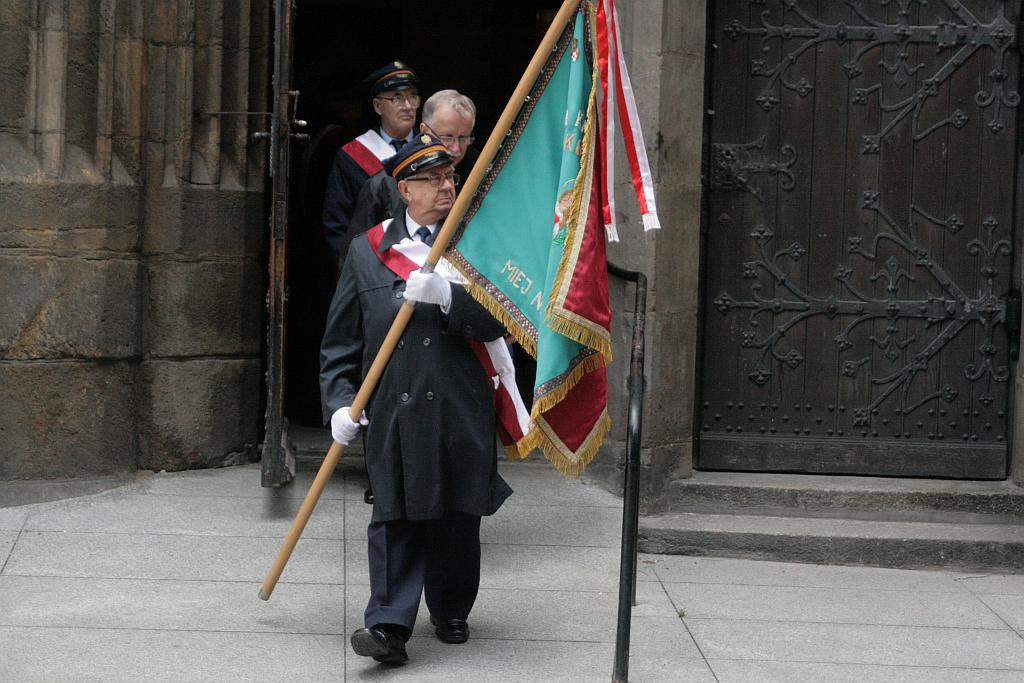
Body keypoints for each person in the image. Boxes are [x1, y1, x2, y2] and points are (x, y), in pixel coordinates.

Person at [320, 135, 513, 665]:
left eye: (451, 177)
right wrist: (338, 402)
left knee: (457, 513)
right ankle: (386, 626)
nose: (447, 186)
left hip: (459, 400)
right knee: (394, 512)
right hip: (395, 407)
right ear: (405, 189)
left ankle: (451, 607)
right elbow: (342, 340)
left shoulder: (476, 243)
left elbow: (507, 321)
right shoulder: (369, 249)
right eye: (433, 180)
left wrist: (451, 298)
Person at [321, 60, 420, 265]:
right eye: (397, 98)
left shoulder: (430, 149)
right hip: (373, 266)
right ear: (378, 106)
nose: (408, 106)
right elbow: (337, 225)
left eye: (412, 97)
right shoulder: (352, 156)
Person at [349, 89, 479, 236]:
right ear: (424, 131)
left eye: (463, 138)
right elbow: (360, 250)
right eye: (447, 137)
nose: (456, 148)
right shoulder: (384, 185)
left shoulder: (482, 179)